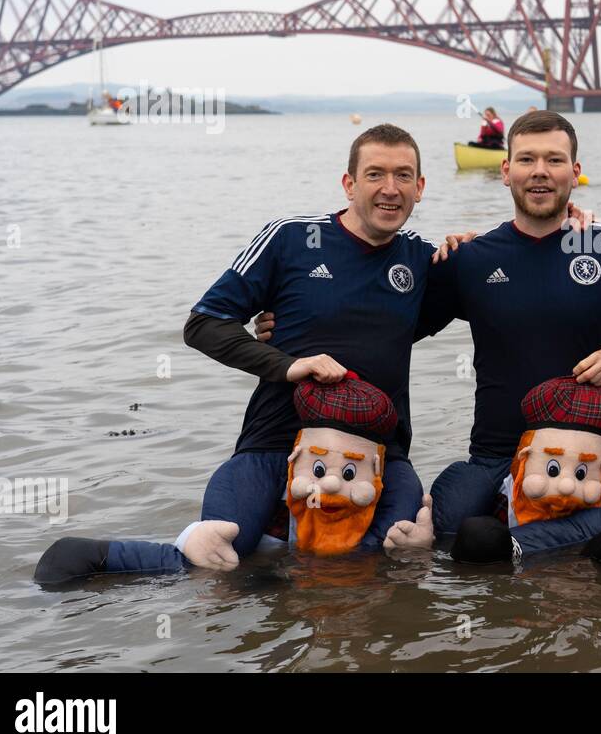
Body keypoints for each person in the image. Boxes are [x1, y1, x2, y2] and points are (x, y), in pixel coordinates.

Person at [34, 125, 437, 582]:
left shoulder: (425, 260)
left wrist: (468, 244)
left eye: (403, 176)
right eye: (375, 174)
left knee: (394, 556)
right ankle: (97, 557)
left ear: (420, 188)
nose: (390, 188)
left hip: (380, 453)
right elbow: (204, 324)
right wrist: (287, 365)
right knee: (217, 560)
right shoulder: (291, 238)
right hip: (273, 444)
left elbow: (505, 291)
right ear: (348, 183)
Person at [379, 110, 601, 563]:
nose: (539, 171)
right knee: (449, 530)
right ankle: (549, 541)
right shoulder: (469, 259)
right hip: (497, 453)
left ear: (575, 173)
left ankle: (517, 547)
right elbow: (390, 331)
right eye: (527, 159)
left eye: (554, 160)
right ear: (505, 170)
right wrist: (291, 328)